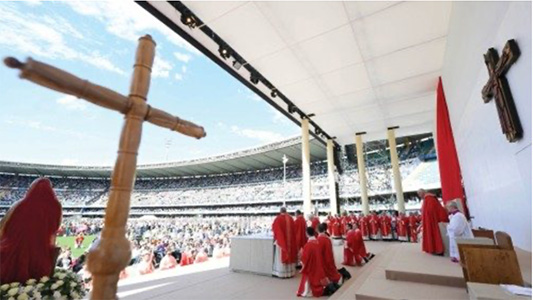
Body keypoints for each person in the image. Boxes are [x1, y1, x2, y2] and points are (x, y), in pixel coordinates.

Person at [0, 178, 62, 284]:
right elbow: (53, 234)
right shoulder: (57, 207)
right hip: (40, 255)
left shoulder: (18, 205)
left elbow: (3, 226)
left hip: (12, 252)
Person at [296, 227, 329, 297]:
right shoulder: (317, 242)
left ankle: (308, 291)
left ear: (307, 234)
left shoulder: (308, 245)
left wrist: (301, 256)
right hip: (318, 266)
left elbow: (305, 258)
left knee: (307, 278)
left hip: (311, 267)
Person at [419, 189, 449, 255]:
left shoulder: (429, 199)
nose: (419, 196)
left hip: (433, 221)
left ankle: (436, 248)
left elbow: (431, 211)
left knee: (433, 233)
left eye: (419, 194)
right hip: (431, 220)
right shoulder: (428, 199)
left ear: (423, 192)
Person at [272, 207, 297, 278]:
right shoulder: (291, 218)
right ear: (286, 211)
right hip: (290, 242)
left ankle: (282, 273)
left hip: (282, 242)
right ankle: (290, 273)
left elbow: (275, 229)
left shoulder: (278, 219)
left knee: (281, 255)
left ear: (280, 211)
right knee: (290, 255)